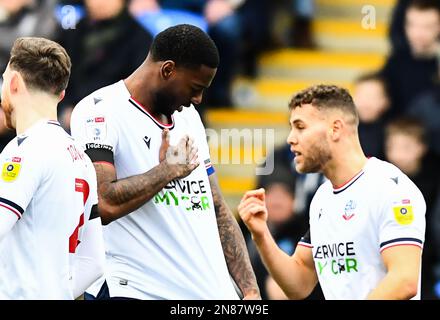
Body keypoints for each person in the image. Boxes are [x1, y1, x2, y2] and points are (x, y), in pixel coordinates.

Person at [70, 24, 259, 300]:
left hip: (206, 293)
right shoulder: (99, 110)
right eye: (195, 88)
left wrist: (250, 290)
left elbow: (217, 207)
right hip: (136, 290)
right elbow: (103, 202)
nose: (198, 99)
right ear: (168, 70)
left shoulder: (189, 118)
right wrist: (166, 172)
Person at [239, 84, 426, 300]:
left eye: (300, 127)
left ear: (335, 129)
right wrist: (261, 235)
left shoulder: (389, 188)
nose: (291, 138)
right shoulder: (323, 198)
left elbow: (404, 280)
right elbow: (299, 282)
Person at [0, 37, 105, 299]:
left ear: (13, 83)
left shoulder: (23, 150)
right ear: (61, 94)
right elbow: (94, 263)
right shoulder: (81, 158)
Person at [384, 117, 440, 299]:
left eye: (406, 147)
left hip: (427, 259)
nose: (398, 154)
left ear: (421, 147)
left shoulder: (435, 178)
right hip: (388, 258)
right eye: (393, 147)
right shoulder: (378, 179)